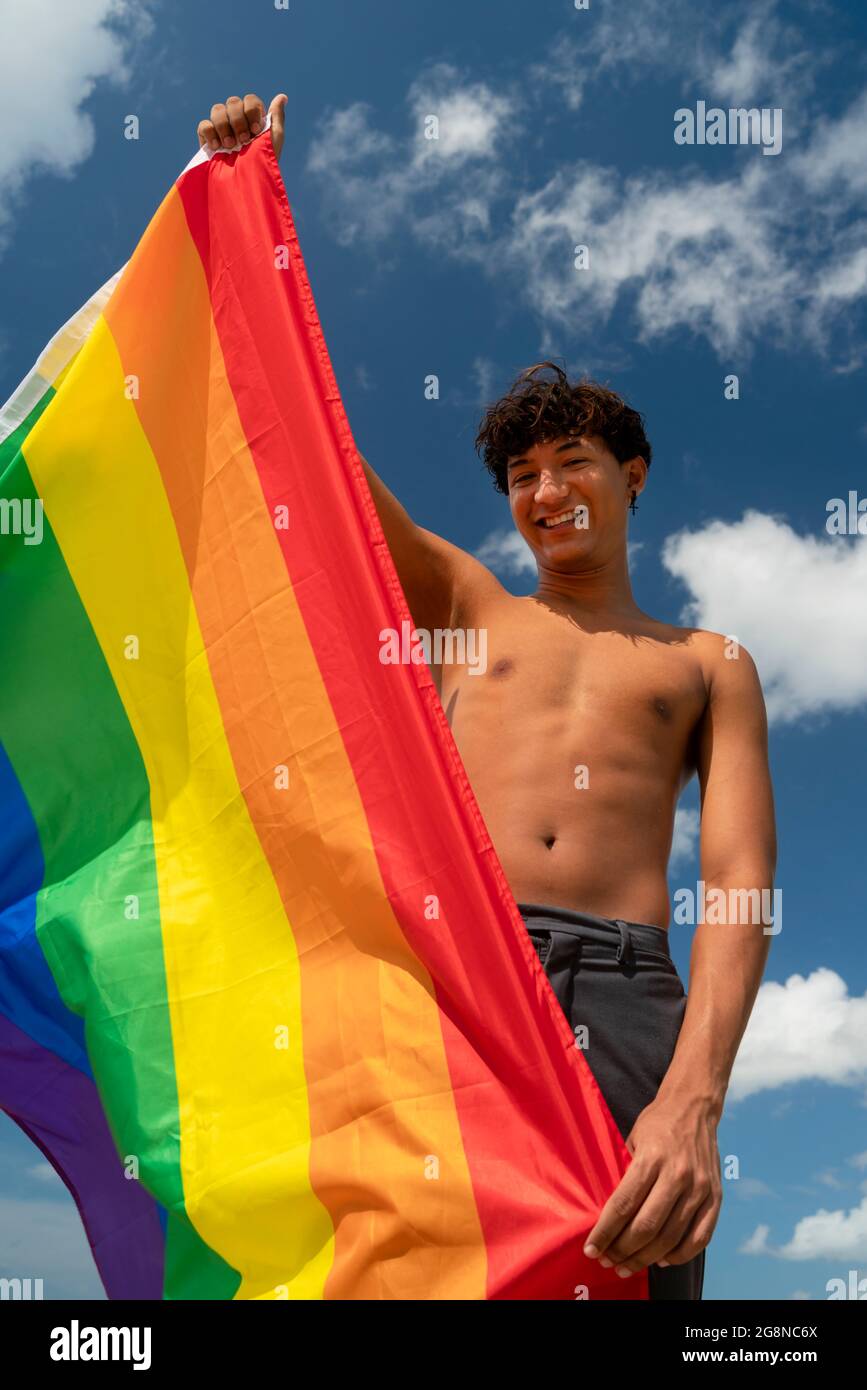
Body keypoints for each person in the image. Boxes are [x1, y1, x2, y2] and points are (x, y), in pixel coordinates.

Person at [195, 94, 778, 1300]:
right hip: (460, 968)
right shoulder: (469, 603)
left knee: (624, 1274)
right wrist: (254, 226)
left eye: (573, 462)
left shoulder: (706, 660)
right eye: (522, 473)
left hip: (628, 994)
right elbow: (304, 443)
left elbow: (736, 884)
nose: (546, 488)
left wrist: (693, 1096)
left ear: (633, 476)